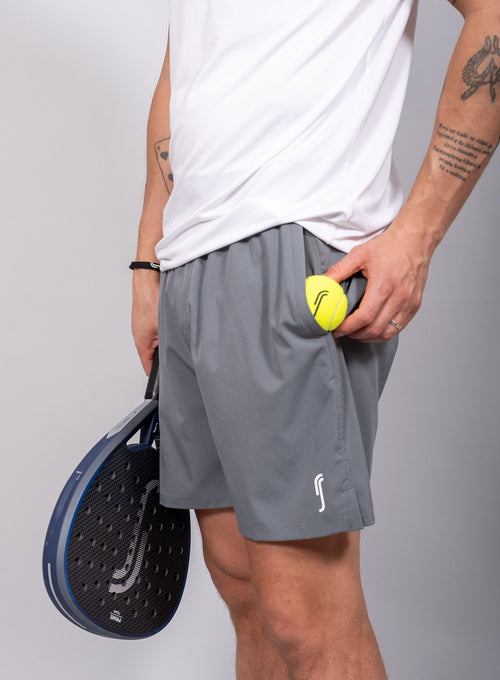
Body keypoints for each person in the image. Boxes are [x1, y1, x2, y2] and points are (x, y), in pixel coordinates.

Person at [131, 1, 499, 677]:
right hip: (190, 258)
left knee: (307, 616)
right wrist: (149, 260)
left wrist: (417, 234)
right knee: (241, 583)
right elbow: (181, 66)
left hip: (294, 249)